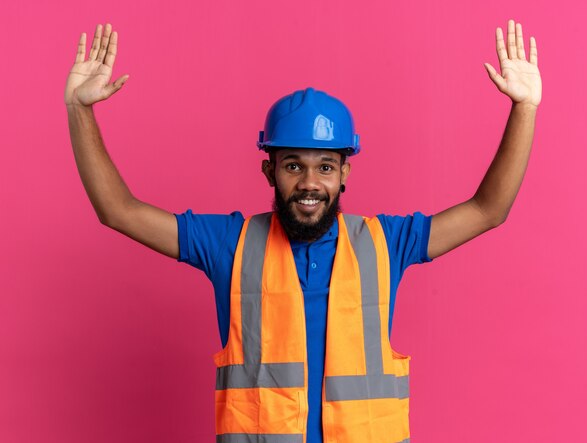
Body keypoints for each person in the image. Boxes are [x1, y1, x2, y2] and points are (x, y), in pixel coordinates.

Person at [65, 20, 541, 443]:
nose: (310, 182)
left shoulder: (385, 244)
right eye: (293, 165)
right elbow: (118, 211)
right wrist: (79, 110)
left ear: (345, 174)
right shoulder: (229, 244)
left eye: (326, 167)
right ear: (269, 171)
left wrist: (525, 108)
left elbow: (487, 210)